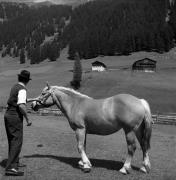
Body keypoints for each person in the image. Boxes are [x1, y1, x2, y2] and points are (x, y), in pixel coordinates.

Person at [4, 70, 33, 176]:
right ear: (27, 81)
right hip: (15, 117)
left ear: (19, 78)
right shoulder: (22, 89)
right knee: (17, 141)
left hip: (8, 115)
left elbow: (18, 100)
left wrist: (34, 99)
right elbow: (21, 105)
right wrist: (27, 119)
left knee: (13, 140)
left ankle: (14, 163)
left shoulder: (15, 87)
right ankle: (11, 168)